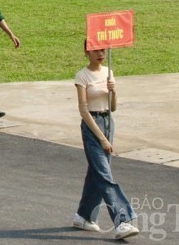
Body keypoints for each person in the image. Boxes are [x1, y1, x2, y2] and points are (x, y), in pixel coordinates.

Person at [72, 42, 139, 240]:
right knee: (104, 174)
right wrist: (101, 139)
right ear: (86, 52)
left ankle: (84, 216)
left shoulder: (108, 72)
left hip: (108, 122)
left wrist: (113, 91)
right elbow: (83, 110)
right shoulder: (82, 76)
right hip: (92, 126)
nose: (101, 53)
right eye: (96, 50)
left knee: (97, 173)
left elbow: (113, 107)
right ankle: (122, 220)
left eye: (103, 50)